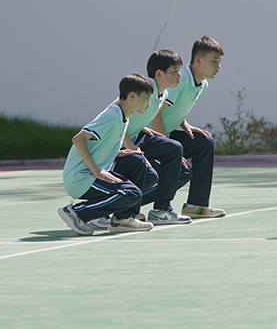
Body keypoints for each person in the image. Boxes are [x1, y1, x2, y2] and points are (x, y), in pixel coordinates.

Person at [88, 50, 192, 229]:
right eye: (175, 71)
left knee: (174, 150)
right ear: (159, 74)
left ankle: (161, 210)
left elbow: (137, 117)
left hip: (136, 137)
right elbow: (117, 113)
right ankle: (101, 210)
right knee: (149, 175)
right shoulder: (142, 90)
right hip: (114, 142)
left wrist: (143, 128)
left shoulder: (163, 94)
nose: (180, 75)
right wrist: (131, 146)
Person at [57, 74, 155, 235]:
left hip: (93, 171)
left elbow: (98, 144)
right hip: (80, 177)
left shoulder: (123, 117)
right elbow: (78, 139)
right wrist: (96, 171)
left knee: (137, 162)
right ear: (132, 96)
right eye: (147, 98)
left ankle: (123, 219)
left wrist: (117, 153)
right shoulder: (112, 115)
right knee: (132, 193)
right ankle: (76, 213)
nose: (149, 104)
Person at [152, 36, 225, 219]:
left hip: (166, 134)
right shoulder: (180, 79)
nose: (218, 67)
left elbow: (176, 108)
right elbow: (156, 115)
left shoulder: (202, 85)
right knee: (182, 172)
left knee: (205, 142)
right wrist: (169, 146)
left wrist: (185, 124)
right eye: (214, 61)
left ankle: (196, 205)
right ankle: (147, 208)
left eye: (220, 62)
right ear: (198, 60)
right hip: (148, 136)